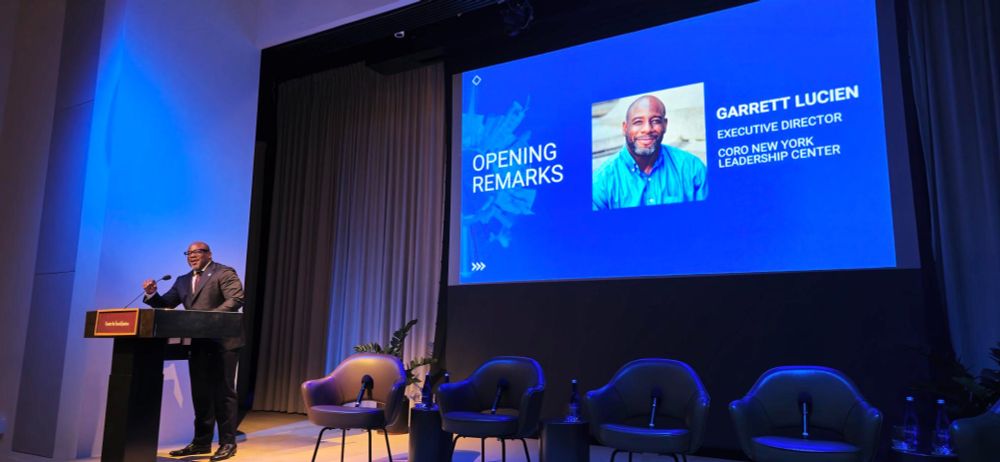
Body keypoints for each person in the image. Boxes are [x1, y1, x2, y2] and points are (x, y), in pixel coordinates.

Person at [143, 241, 244, 461]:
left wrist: (207, 320)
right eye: (188, 253)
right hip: (198, 344)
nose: (191, 256)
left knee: (223, 394)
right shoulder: (182, 281)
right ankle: (201, 443)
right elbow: (165, 304)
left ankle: (228, 443)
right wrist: (152, 295)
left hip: (222, 343)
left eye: (196, 252)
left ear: (209, 254)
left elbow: (235, 299)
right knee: (201, 395)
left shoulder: (224, 273)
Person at [593, 95, 708, 210]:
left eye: (656, 121)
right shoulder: (601, 182)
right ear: (625, 128)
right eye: (638, 122)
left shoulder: (692, 168)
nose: (647, 129)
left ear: (665, 125)